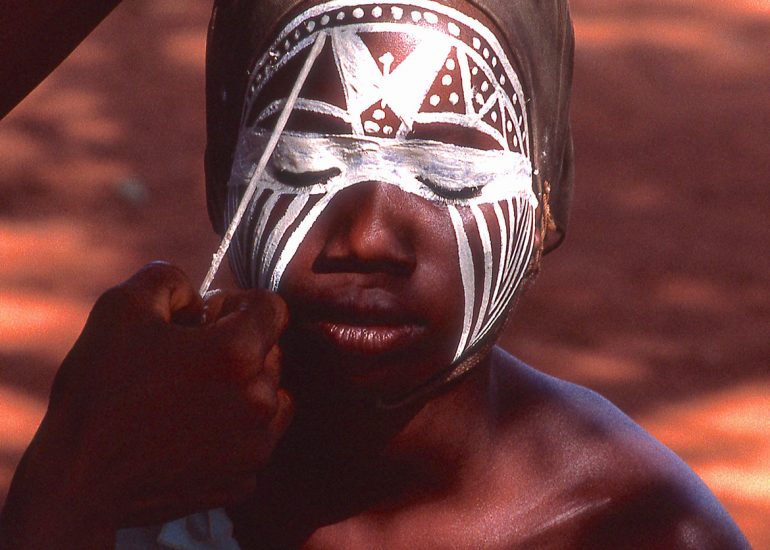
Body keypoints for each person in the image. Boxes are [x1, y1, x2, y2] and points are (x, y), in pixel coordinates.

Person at [0, 0, 750, 548]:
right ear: (220, 178)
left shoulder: (639, 533)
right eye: (305, 164)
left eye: (453, 176)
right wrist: (75, 489)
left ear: (547, 199)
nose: (366, 237)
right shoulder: (131, 469)